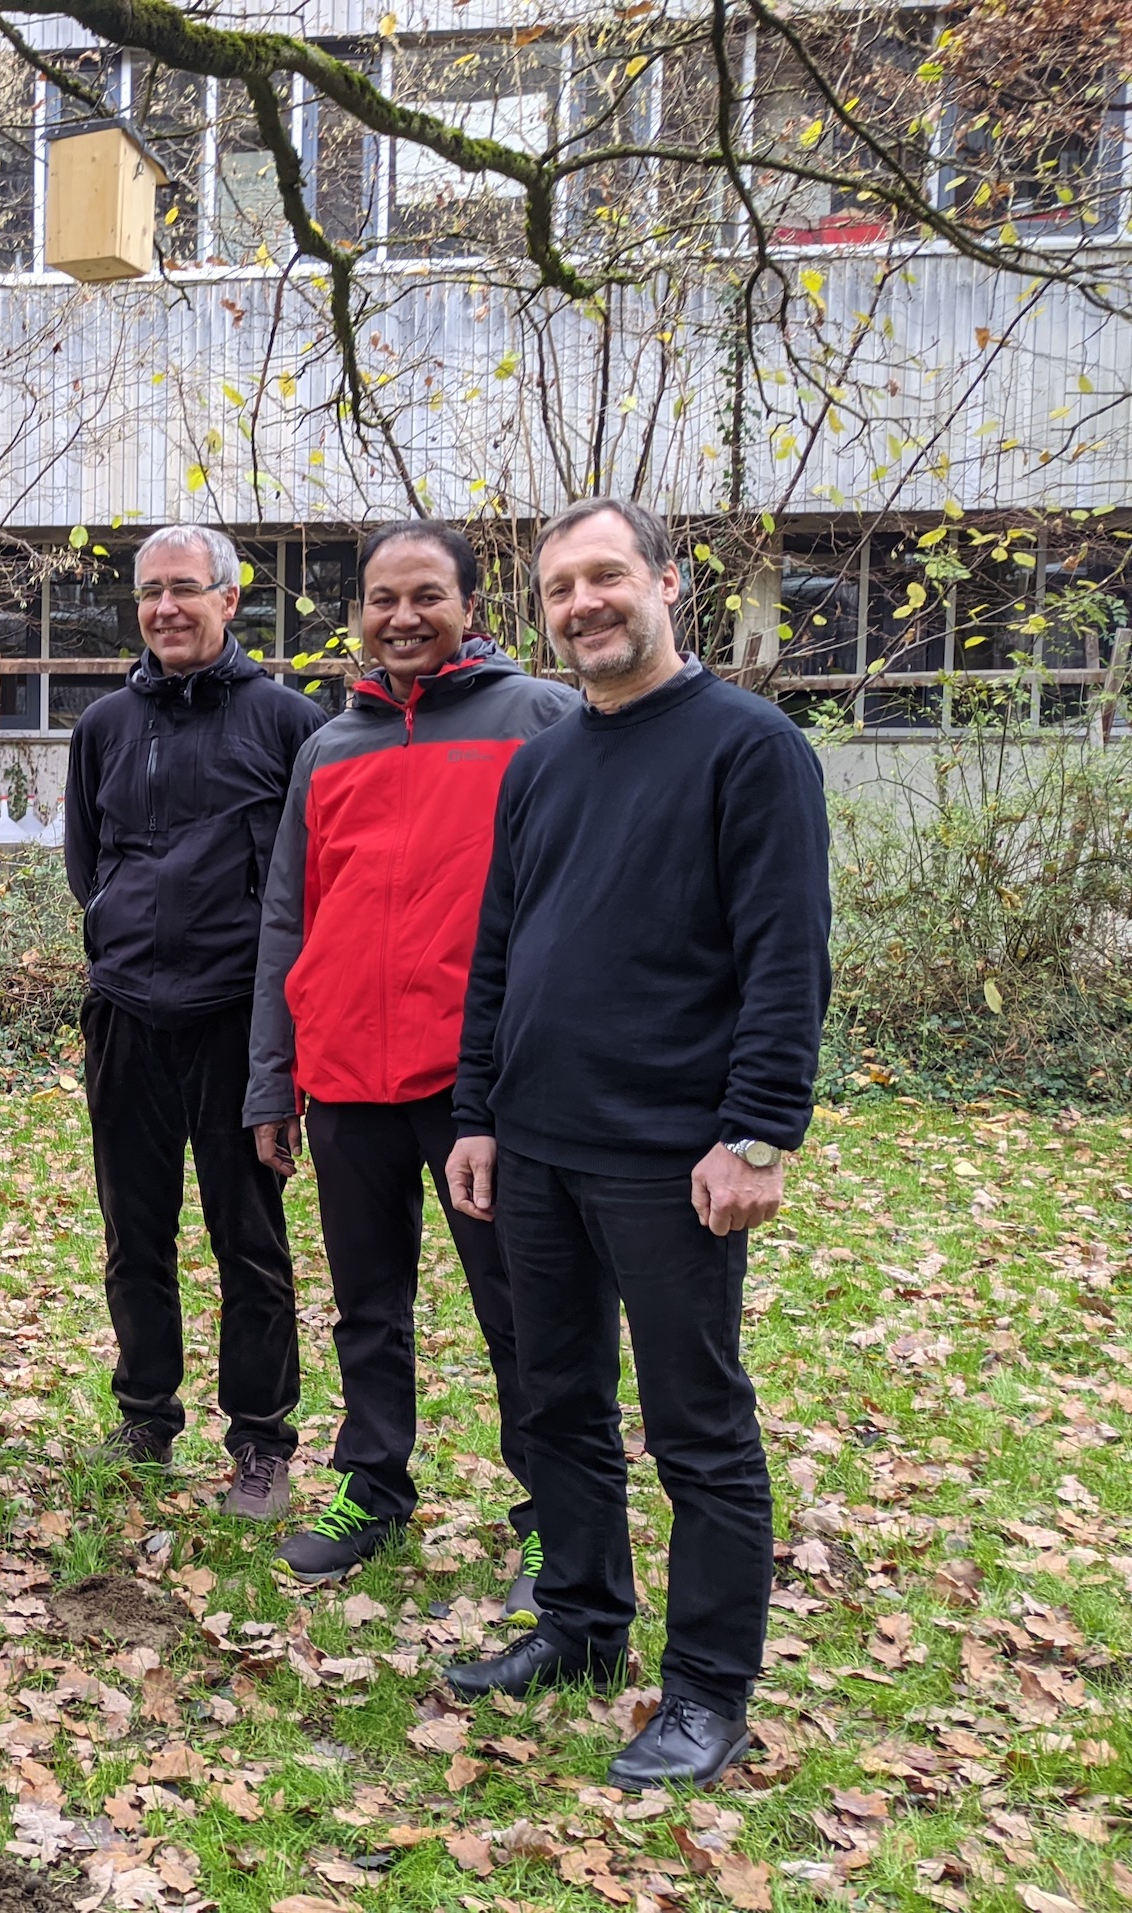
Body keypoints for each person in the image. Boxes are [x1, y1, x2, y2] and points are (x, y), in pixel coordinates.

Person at [440, 498, 831, 1788]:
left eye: (605, 575)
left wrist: (758, 1134)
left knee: (696, 1426)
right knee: (554, 1399)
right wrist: (478, 1113)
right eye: (559, 587)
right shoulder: (545, 760)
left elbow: (787, 958)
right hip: (537, 1149)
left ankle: (707, 1690)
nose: (583, 603)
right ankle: (579, 1622)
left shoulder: (750, 746)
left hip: (672, 1156)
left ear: (667, 582)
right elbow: (498, 950)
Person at [244, 522, 578, 1593]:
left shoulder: (540, 719)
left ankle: (554, 1515)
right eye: (382, 599)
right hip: (344, 1076)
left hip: (478, 1083)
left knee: (519, 1308)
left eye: (425, 595)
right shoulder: (327, 745)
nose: (401, 617)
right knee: (366, 1305)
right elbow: (288, 918)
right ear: (359, 615)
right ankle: (372, 1485)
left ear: (471, 606)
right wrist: (272, 1073)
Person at [64, 523, 328, 1519]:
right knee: (135, 1231)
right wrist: (118, 936)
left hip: (238, 1022)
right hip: (127, 1013)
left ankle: (261, 1439)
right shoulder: (102, 727)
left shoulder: (287, 723)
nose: (165, 607)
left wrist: (285, 1041)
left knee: (247, 1238)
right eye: (149, 592)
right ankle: (144, 1414)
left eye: (185, 588)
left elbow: (311, 883)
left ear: (228, 599)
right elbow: (88, 862)